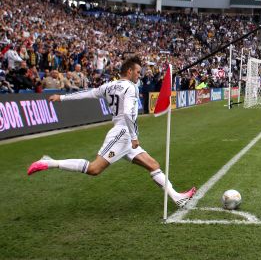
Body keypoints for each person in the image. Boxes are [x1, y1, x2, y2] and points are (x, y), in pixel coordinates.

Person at [27, 55, 196, 208]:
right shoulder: (130, 87)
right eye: (137, 72)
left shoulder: (109, 86)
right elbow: (129, 113)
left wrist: (62, 97)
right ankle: (49, 162)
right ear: (129, 71)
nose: (140, 75)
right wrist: (134, 136)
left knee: (153, 165)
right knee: (94, 169)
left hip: (123, 133)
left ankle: (177, 197)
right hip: (123, 134)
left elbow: (88, 93)